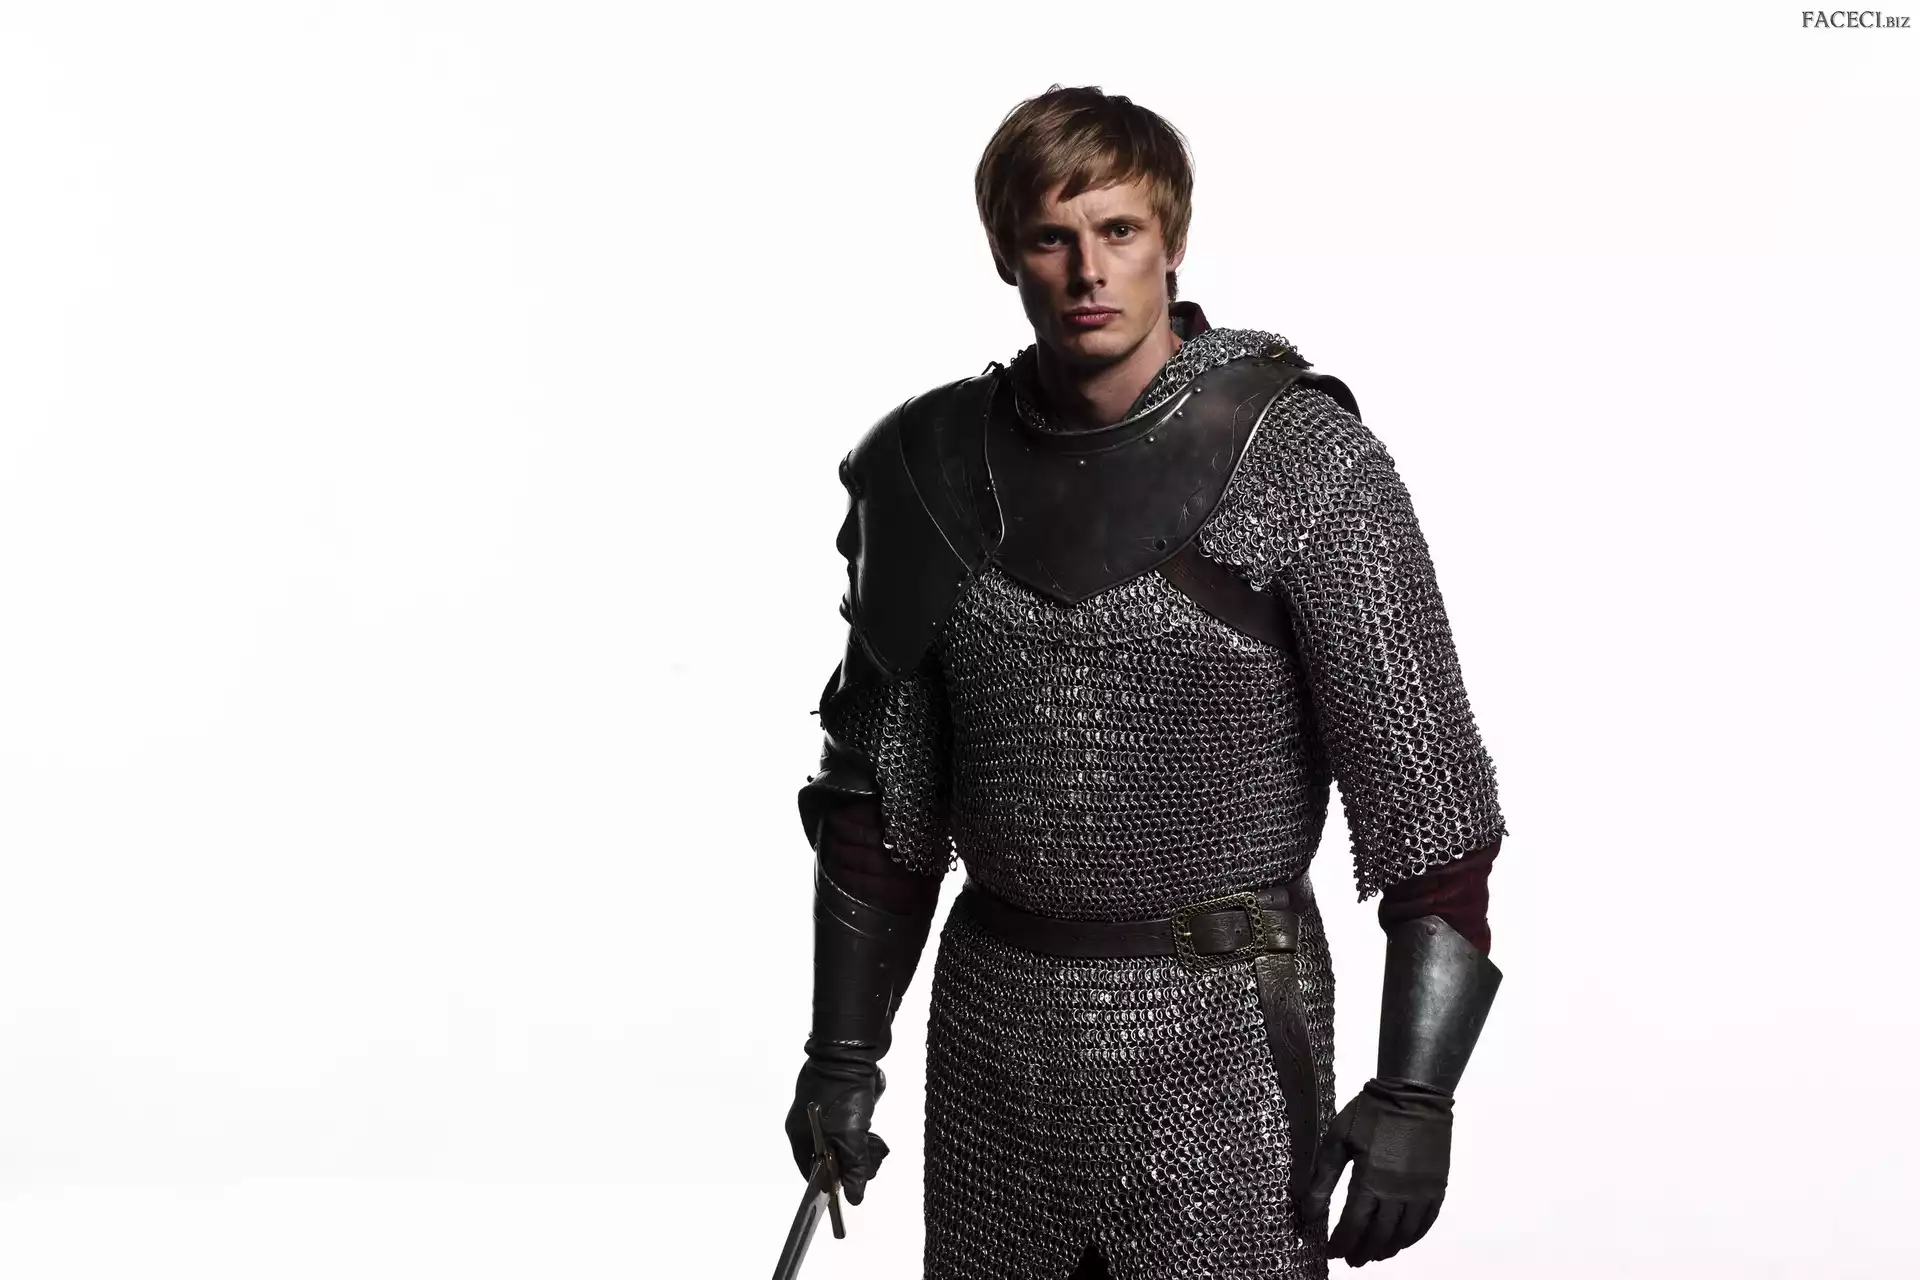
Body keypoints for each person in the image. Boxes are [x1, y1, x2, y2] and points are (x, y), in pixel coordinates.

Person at [785, 84, 1508, 1280]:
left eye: (1118, 230)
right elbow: (882, 809)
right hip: (1001, 1056)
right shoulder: (930, 469)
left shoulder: (1299, 461)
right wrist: (842, 1054)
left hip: (1224, 1046)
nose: (1088, 271)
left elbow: (1428, 805)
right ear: (1005, 253)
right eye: (1051, 237)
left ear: (1170, 237)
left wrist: (1417, 1092)